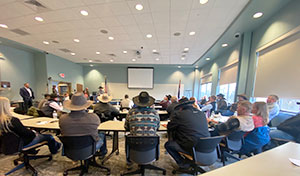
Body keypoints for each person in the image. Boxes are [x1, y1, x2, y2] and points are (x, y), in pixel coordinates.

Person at [165, 99, 210, 169]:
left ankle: (183, 163)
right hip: (206, 146)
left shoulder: (179, 114)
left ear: (181, 107)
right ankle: (189, 161)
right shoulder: (201, 113)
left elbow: (170, 127)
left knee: (168, 145)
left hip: (191, 146)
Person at [59, 93, 107, 157]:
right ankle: (103, 153)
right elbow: (97, 126)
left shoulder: (62, 119)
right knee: (102, 134)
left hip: (70, 149)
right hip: (89, 149)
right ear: (85, 106)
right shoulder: (93, 117)